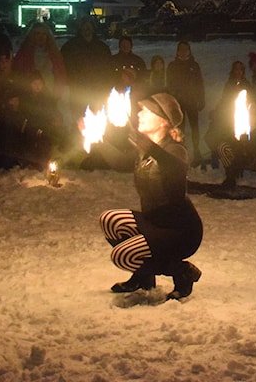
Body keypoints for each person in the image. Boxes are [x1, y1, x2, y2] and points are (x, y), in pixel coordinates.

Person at [97, 93, 203, 300]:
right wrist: (98, 138)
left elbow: (176, 168)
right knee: (109, 220)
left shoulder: (175, 150)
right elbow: (119, 162)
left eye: (147, 111)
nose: (140, 114)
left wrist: (152, 149)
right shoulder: (144, 150)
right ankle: (144, 278)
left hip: (179, 231)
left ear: (163, 121)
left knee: (122, 256)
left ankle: (182, 272)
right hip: (153, 222)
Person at [60, 17, 113, 129]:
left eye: (89, 27)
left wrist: (106, 88)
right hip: (78, 91)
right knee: (79, 122)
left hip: (98, 91)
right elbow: (64, 69)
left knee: (98, 123)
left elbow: (109, 70)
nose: (87, 29)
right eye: (84, 27)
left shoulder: (102, 48)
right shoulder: (70, 47)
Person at [166, 41, 205, 165]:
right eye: (181, 50)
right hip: (179, 102)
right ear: (177, 51)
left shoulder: (194, 65)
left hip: (192, 100)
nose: (183, 52)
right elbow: (170, 84)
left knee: (194, 127)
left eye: (186, 49)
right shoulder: (172, 66)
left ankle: (196, 149)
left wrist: (201, 99)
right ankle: (181, 150)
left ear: (189, 51)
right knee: (180, 128)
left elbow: (199, 83)